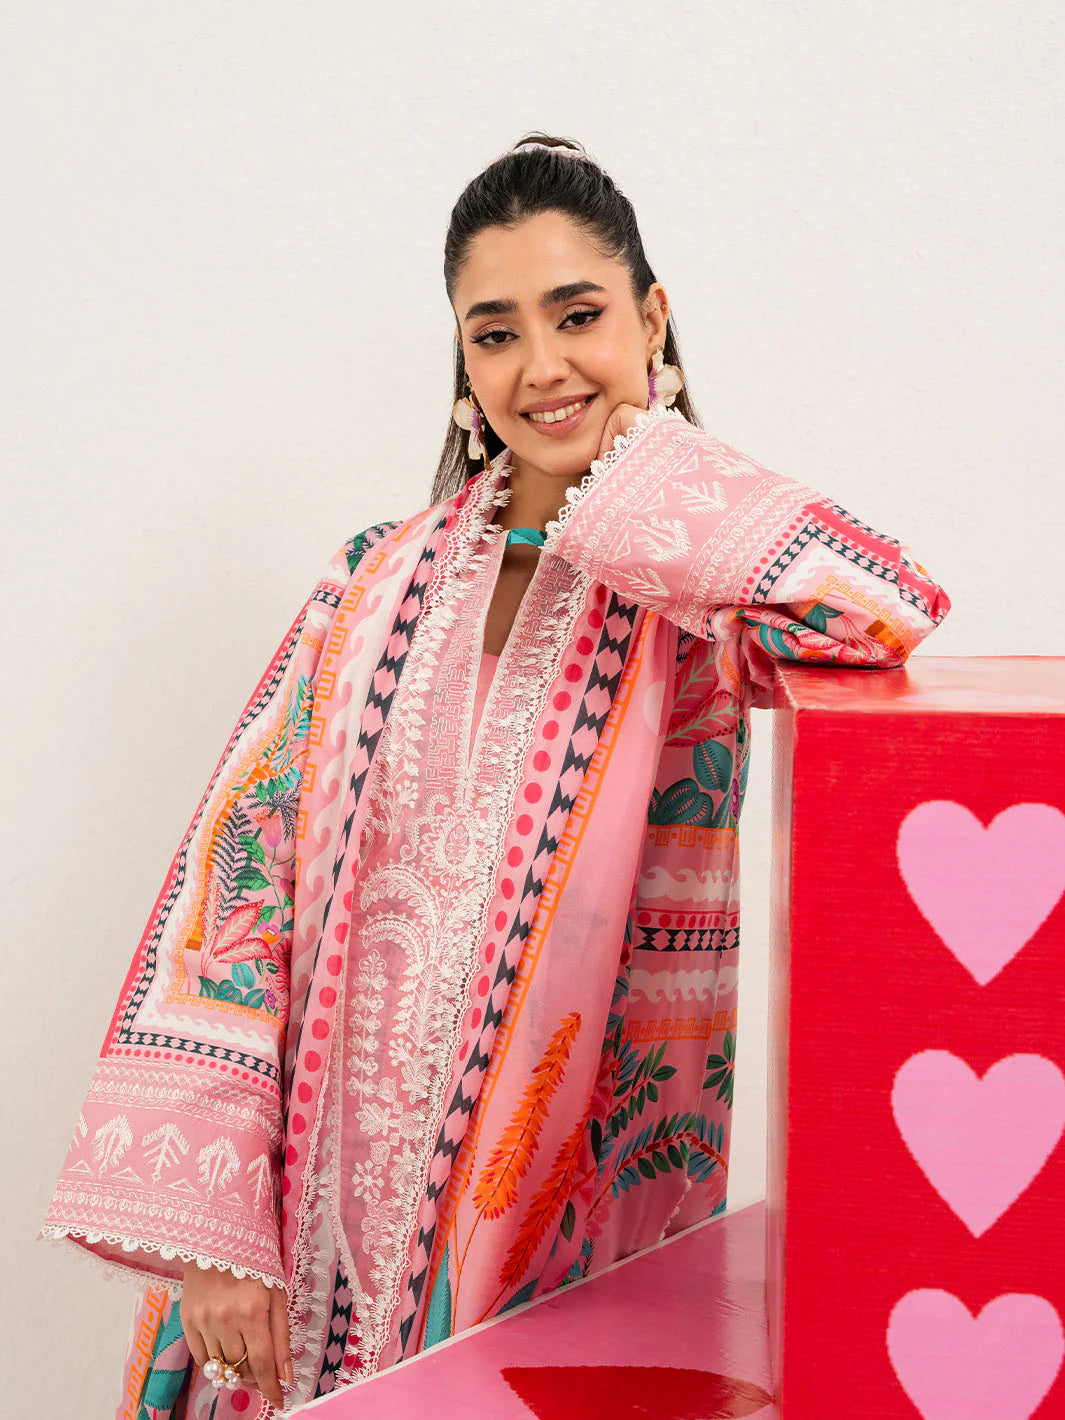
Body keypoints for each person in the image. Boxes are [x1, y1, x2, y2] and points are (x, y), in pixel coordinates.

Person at [41, 131, 952, 1417]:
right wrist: (215, 1239)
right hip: (292, 1247)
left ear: (652, 318)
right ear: (464, 364)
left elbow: (881, 610)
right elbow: (235, 883)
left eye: (578, 316)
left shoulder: (696, 615)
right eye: (496, 333)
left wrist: (651, 466)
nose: (542, 367)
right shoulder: (368, 584)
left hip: (550, 1231)